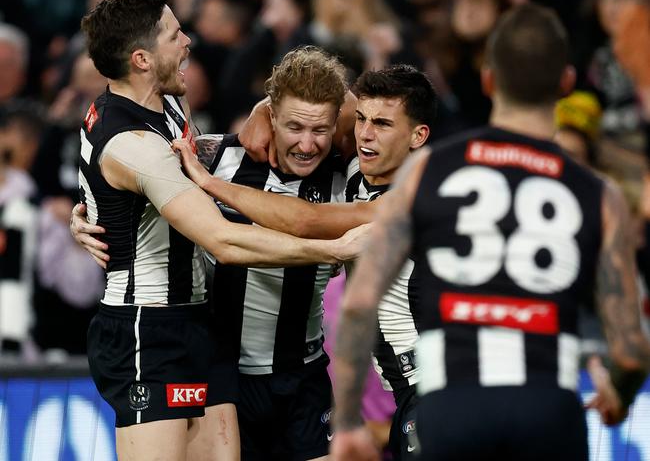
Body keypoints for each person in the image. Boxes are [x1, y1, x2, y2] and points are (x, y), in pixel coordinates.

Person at [330, 4, 650, 461]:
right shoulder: (598, 195)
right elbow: (632, 350)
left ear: (488, 80)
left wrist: (346, 423)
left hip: (449, 405)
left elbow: (359, 305)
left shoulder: (427, 173)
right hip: (547, 408)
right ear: (565, 82)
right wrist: (618, 394)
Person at [73, 63, 437, 460]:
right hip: (223, 379)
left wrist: (263, 112)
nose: (309, 144)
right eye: (294, 127)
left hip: (306, 375)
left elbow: (307, 213)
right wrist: (89, 217)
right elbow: (127, 188)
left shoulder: (349, 173)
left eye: (320, 130)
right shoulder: (213, 157)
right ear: (275, 119)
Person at [76, 0, 365, 461]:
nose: (188, 41)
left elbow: (347, 104)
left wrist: (262, 109)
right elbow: (223, 239)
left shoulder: (166, 103)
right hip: (146, 328)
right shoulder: (132, 143)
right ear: (142, 59)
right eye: (175, 35)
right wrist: (335, 249)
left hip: (198, 323)